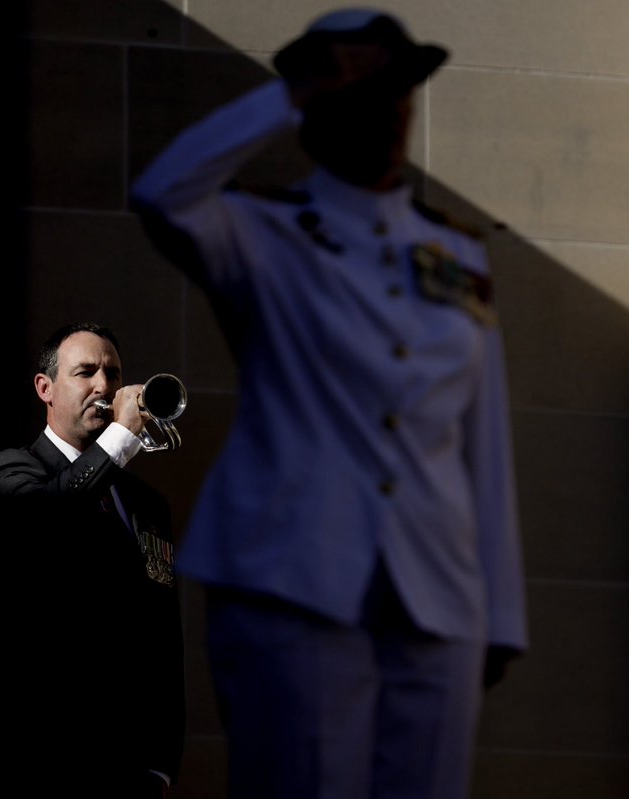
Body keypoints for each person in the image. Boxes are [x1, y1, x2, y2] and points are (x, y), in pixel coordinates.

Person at [129, 8, 527, 799]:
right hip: (292, 579)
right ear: (316, 114)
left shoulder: (455, 254)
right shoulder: (259, 232)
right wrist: (295, 90)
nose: (386, 111)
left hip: (436, 594)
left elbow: (482, 440)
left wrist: (500, 610)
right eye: (364, 91)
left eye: (398, 92)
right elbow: (162, 193)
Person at [0, 321, 185, 798]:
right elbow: (49, 520)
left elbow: (162, 634)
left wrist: (161, 762)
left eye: (112, 373)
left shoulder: (147, 504)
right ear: (45, 388)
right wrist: (120, 440)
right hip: (42, 756)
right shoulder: (11, 471)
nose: (104, 387)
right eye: (85, 372)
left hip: (129, 765)